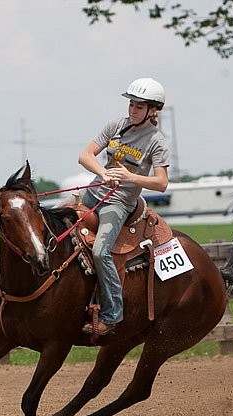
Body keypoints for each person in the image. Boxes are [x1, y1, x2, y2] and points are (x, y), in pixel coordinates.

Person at [77, 77, 171, 335]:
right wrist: (102, 172)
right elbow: (85, 156)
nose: (132, 110)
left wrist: (130, 178)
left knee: (99, 251)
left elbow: (162, 183)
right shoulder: (115, 126)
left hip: (119, 203)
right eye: (131, 104)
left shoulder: (156, 141)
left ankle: (112, 313)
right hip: (93, 193)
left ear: (153, 110)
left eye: (138, 107)